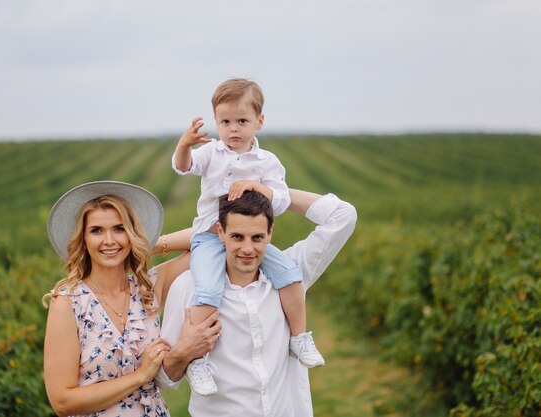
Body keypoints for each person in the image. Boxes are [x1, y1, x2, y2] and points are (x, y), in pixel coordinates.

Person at [171, 78, 323, 395]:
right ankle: (197, 361)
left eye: (242, 121)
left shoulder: (267, 162)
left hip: (250, 239)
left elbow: (280, 200)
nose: (234, 129)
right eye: (225, 122)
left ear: (259, 122)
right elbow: (185, 167)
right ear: (216, 123)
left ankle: (299, 338)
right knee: (208, 287)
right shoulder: (211, 152)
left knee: (290, 275)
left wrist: (258, 187)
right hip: (212, 237)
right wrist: (185, 145)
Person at [156, 189, 357, 417]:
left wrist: (271, 191)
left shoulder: (290, 275)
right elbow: (164, 380)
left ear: (270, 233)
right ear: (220, 232)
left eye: (258, 237)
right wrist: (184, 352)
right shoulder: (187, 288)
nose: (248, 249)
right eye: (237, 237)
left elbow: (343, 215)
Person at [42, 181, 220, 417]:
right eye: (96, 231)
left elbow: (214, 237)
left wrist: (148, 245)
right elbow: (63, 402)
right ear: (83, 240)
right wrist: (140, 376)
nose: (109, 240)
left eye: (119, 229)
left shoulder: (148, 288)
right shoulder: (67, 304)